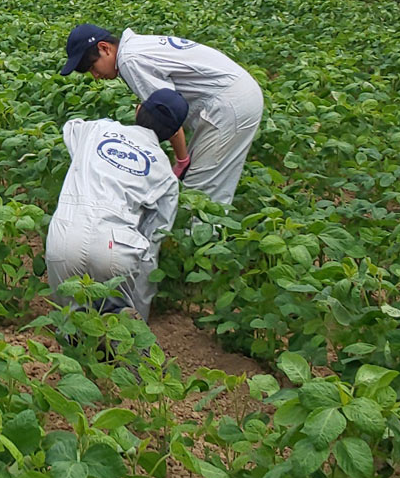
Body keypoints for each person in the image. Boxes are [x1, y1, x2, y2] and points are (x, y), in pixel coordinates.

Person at [60, 24, 263, 207]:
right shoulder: (135, 48)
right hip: (235, 96)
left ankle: (202, 241)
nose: (95, 76)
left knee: (200, 194)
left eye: (92, 67)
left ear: (105, 48)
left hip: (229, 104)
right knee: (206, 181)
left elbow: (168, 114)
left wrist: (181, 162)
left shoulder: (130, 60)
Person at [46, 88, 188, 323]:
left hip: (66, 235)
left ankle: (76, 339)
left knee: (70, 324)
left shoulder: (98, 129)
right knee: (117, 327)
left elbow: (70, 127)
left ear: (138, 109)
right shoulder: (165, 174)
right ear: (174, 133)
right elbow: (153, 242)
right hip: (115, 247)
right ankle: (122, 327)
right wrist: (141, 312)